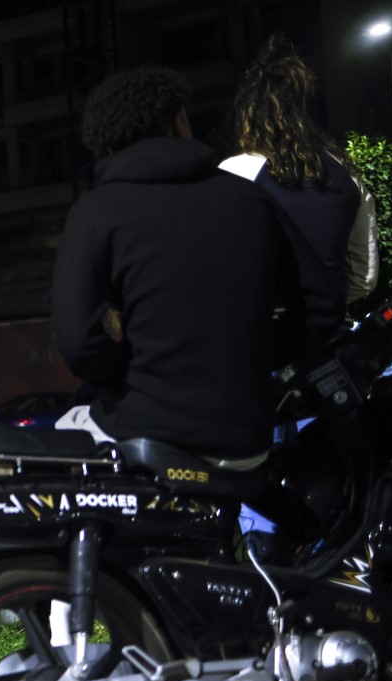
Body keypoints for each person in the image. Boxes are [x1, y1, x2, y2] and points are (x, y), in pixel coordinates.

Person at [50, 64, 338, 464]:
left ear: (107, 143)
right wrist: (251, 361)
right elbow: (323, 305)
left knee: (52, 449)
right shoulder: (249, 198)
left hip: (145, 438)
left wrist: (125, 376)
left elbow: (77, 342)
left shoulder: (95, 213)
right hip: (248, 442)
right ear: (179, 120)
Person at [221, 35, 378, 308]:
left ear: (249, 114)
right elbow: (364, 278)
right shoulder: (347, 176)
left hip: (266, 333)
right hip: (329, 336)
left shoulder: (234, 173)